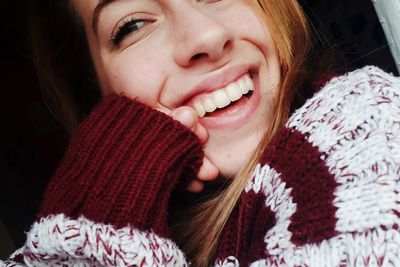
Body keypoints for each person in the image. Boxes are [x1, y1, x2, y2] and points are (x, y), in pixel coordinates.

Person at [2, 0, 400, 266]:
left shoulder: (368, 130)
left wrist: (90, 236)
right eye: (134, 25)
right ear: (95, 91)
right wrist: (101, 207)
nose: (206, 36)